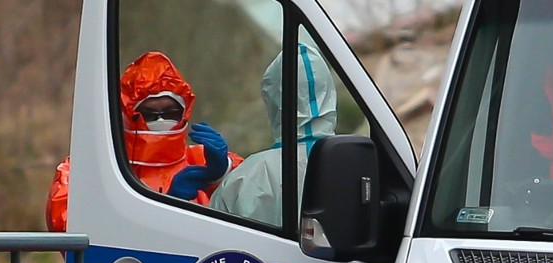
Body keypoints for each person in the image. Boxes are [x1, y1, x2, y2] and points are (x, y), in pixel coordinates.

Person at [46, 51, 242, 232]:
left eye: (171, 112)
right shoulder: (86, 170)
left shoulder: (200, 159)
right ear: (126, 115)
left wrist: (223, 173)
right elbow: (76, 232)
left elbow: (256, 204)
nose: (160, 120)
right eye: (148, 114)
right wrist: (166, 205)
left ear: (185, 113)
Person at [209, 43, 337, 226]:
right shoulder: (358, 166)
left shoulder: (246, 177)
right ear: (330, 94)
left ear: (273, 100)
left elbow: (217, 241)